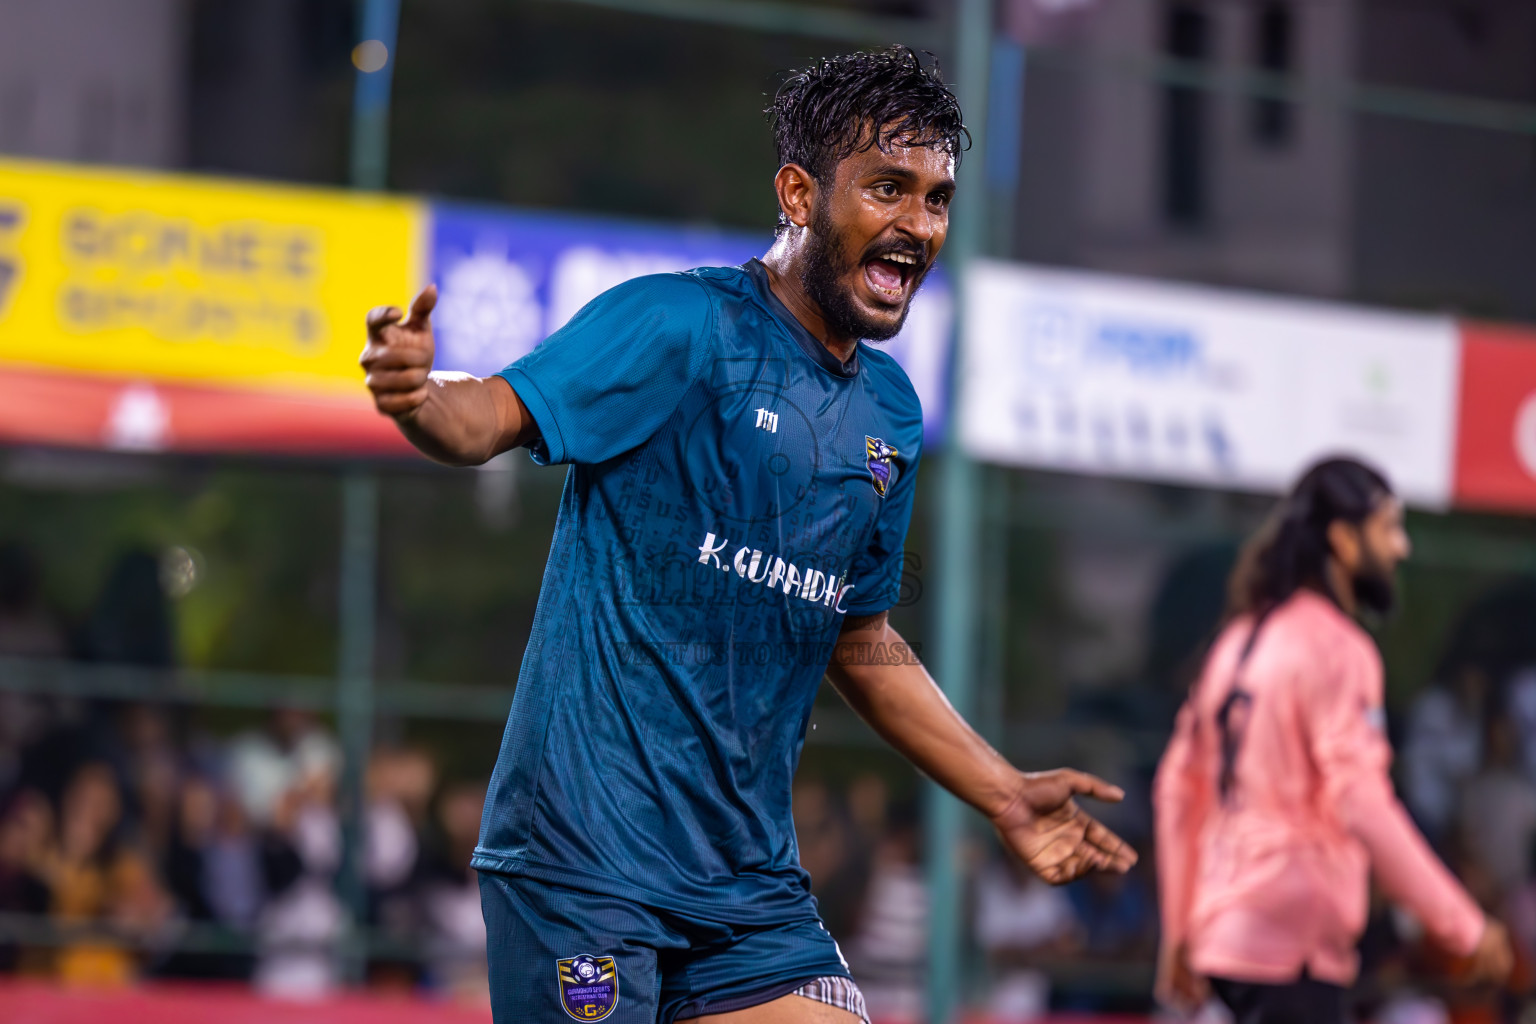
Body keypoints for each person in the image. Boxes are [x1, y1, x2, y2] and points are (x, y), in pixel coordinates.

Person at [361, 47, 1135, 1024]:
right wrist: (416, 395)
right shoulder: (675, 325)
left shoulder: (890, 413)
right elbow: (484, 419)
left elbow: (859, 638)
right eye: (888, 188)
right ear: (800, 193)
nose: (917, 225)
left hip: (745, 886)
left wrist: (1003, 790)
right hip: (584, 860)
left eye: (936, 198)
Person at [1153, 458, 1513, 1024]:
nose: (1402, 547)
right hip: (1291, 942)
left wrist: (1179, 929)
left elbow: (1178, 789)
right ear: (1344, 540)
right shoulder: (1337, 650)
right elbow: (1362, 802)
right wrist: (1462, 923)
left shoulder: (1237, 641)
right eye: (1389, 527)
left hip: (1226, 936)